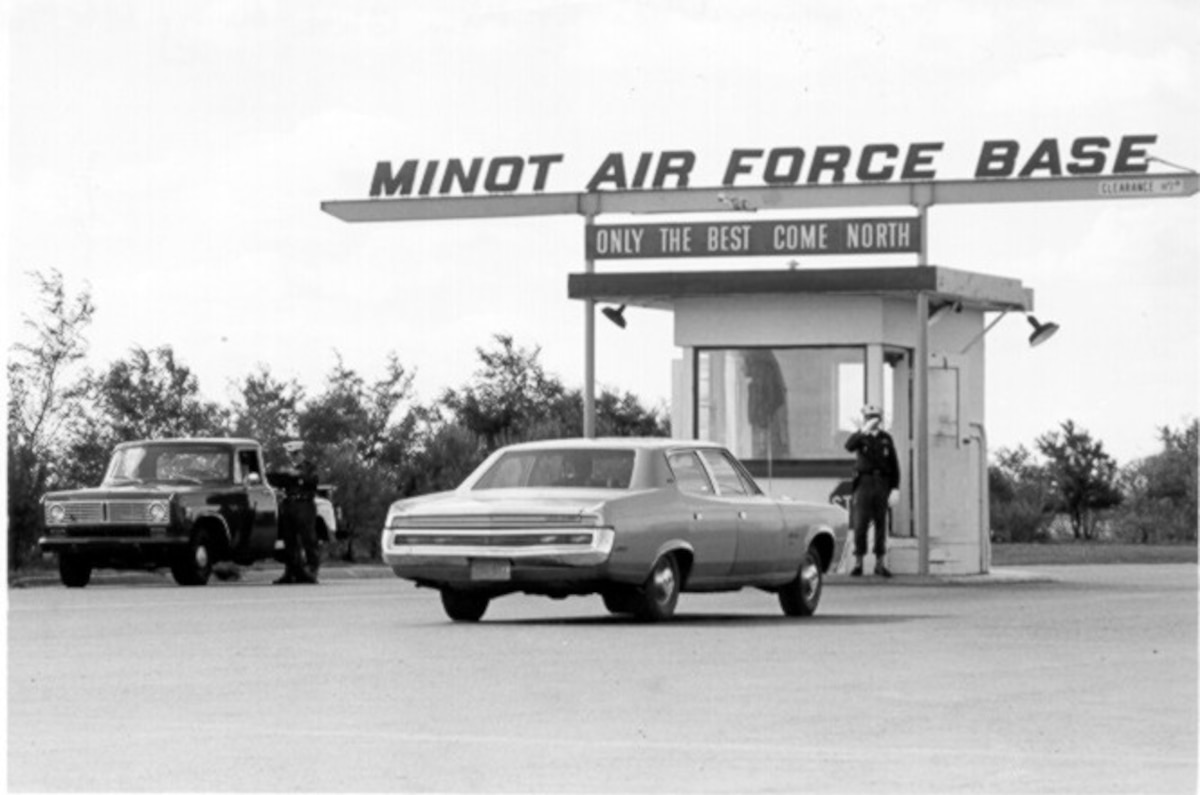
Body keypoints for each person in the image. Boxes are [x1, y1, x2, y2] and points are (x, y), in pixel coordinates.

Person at [844, 404, 901, 578]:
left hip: (882, 482)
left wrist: (895, 488)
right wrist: (863, 431)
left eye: (875, 417)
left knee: (881, 524)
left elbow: (894, 465)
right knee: (860, 523)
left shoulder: (886, 439)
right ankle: (859, 563)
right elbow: (849, 446)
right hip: (864, 482)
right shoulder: (861, 438)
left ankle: (879, 563)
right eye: (869, 417)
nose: (872, 420)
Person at [275, 440, 320, 585]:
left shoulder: (309, 467)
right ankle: (290, 571)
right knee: (289, 540)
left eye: (295, 454)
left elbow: (313, 481)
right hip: (289, 505)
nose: (293, 457)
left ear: (301, 453)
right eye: (290, 454)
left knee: (308, 538)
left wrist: (298, 475)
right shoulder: (286, 468)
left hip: (304, 504)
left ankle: (311, 570)